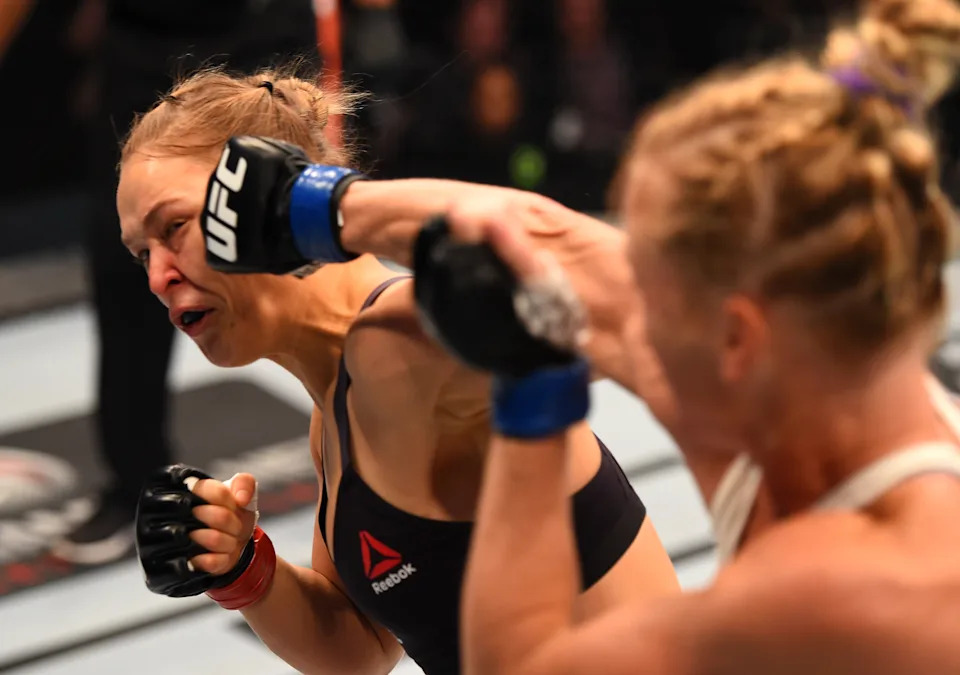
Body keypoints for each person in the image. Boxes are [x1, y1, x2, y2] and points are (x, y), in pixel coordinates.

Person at [410, 0, 960, 672]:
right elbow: (576, 255)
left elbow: (520, 666)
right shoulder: (875, 402)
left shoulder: (835, 589)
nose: (621, 306)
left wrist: (533, 381)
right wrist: (320, 207)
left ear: (737, 337)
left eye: (646, 288)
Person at [119, 67, 679, 674]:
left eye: (174, 227)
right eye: (142, 253)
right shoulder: (335, 403)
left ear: (252, 203)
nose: (158, 276)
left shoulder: (400, 345)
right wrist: (244, 570)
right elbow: (364, 648)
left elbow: (624, 294)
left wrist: (332, 209)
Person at [29, 0, 323, 564]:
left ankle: (365, 437)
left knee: (299, 248)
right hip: (144, 44)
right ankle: (138, 485)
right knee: (128, 267)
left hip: (261, 38)